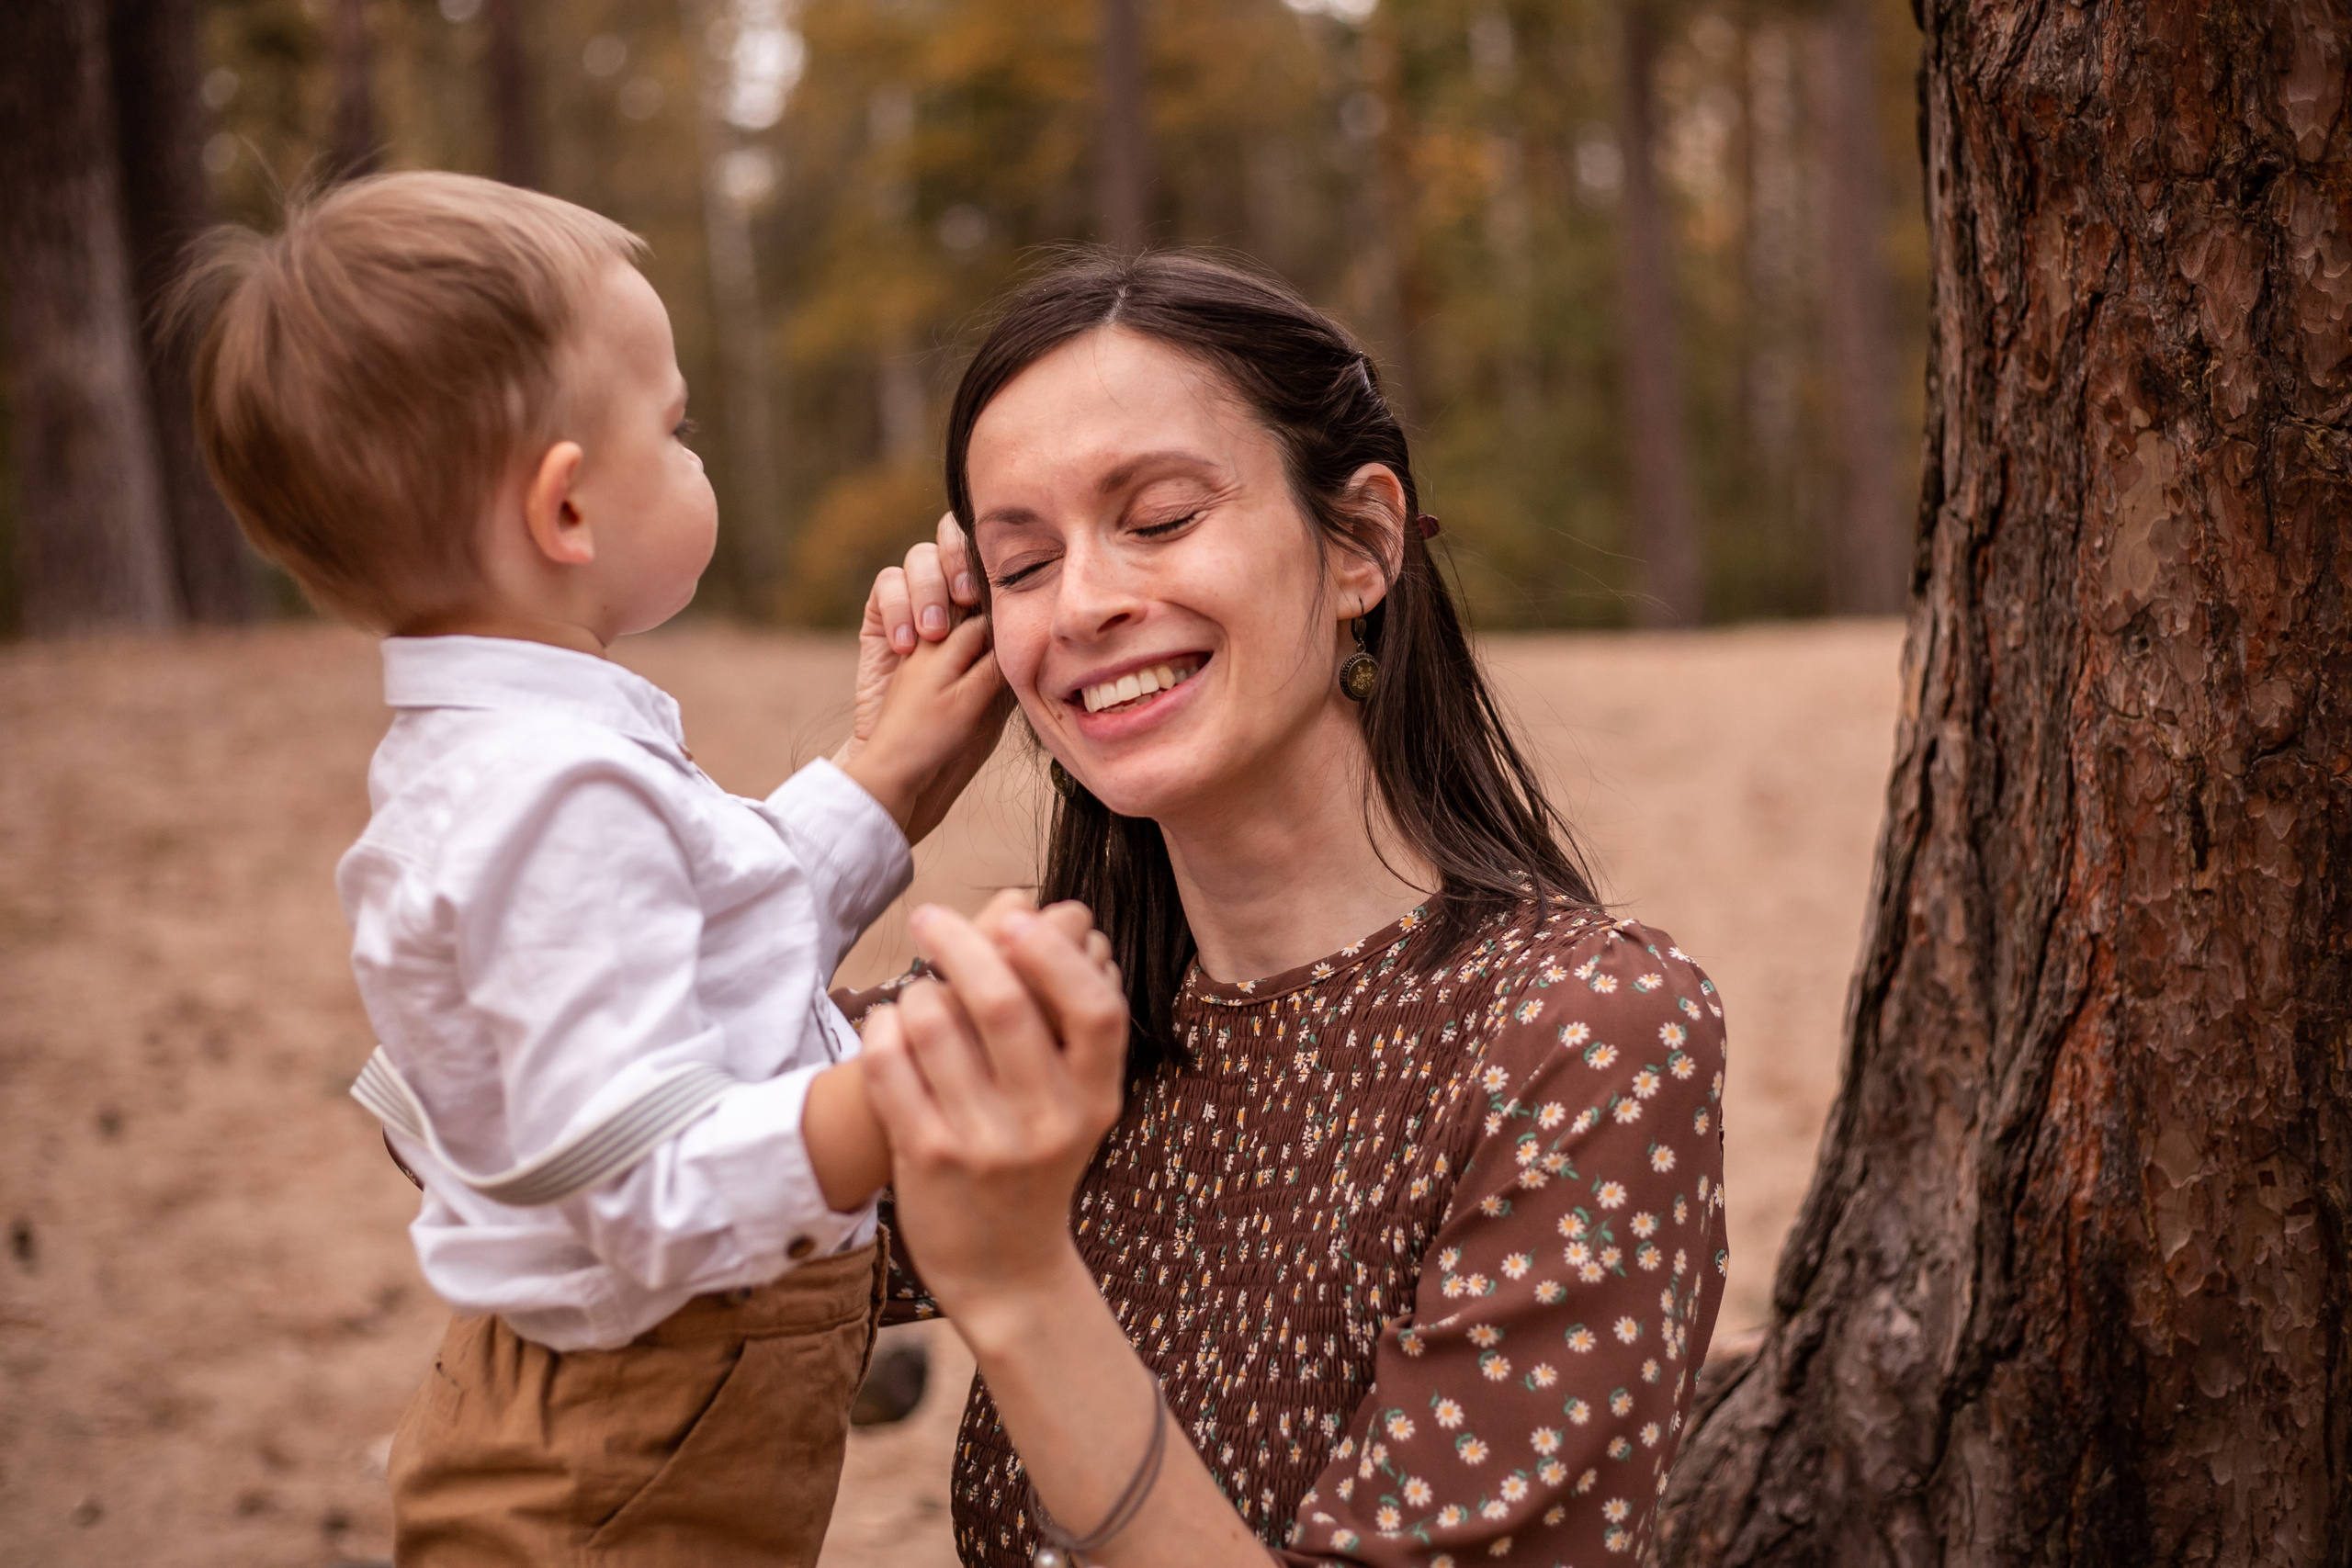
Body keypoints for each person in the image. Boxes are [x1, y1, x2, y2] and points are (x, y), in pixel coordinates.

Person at [171, 170, 1007, 1566]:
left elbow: (695, 950)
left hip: (592, 1411)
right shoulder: (545, 796)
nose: (696, 459)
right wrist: (898, 1090)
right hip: (629, 1459)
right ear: (566, 512)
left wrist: (883, 782)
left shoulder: (500, 760)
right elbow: (648, 1187)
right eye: (674, 432)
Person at [852, 251, 1730, 1566]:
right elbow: (540, 1144)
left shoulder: (1580, 1036)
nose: (1083, 603)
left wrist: (1025, 1288)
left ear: (1364, 541)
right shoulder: (1033, 1027)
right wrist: (865, 801)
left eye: (1155, 520)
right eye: (1020, 563)